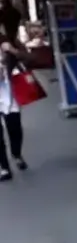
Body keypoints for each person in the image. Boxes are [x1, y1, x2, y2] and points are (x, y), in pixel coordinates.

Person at [0, 36, 28, 181]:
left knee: (15, 128)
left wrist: (12, 50)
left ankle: (16, 154)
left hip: (9, 95)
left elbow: (28, 57)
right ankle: (4, 167)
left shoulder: (6, 40)